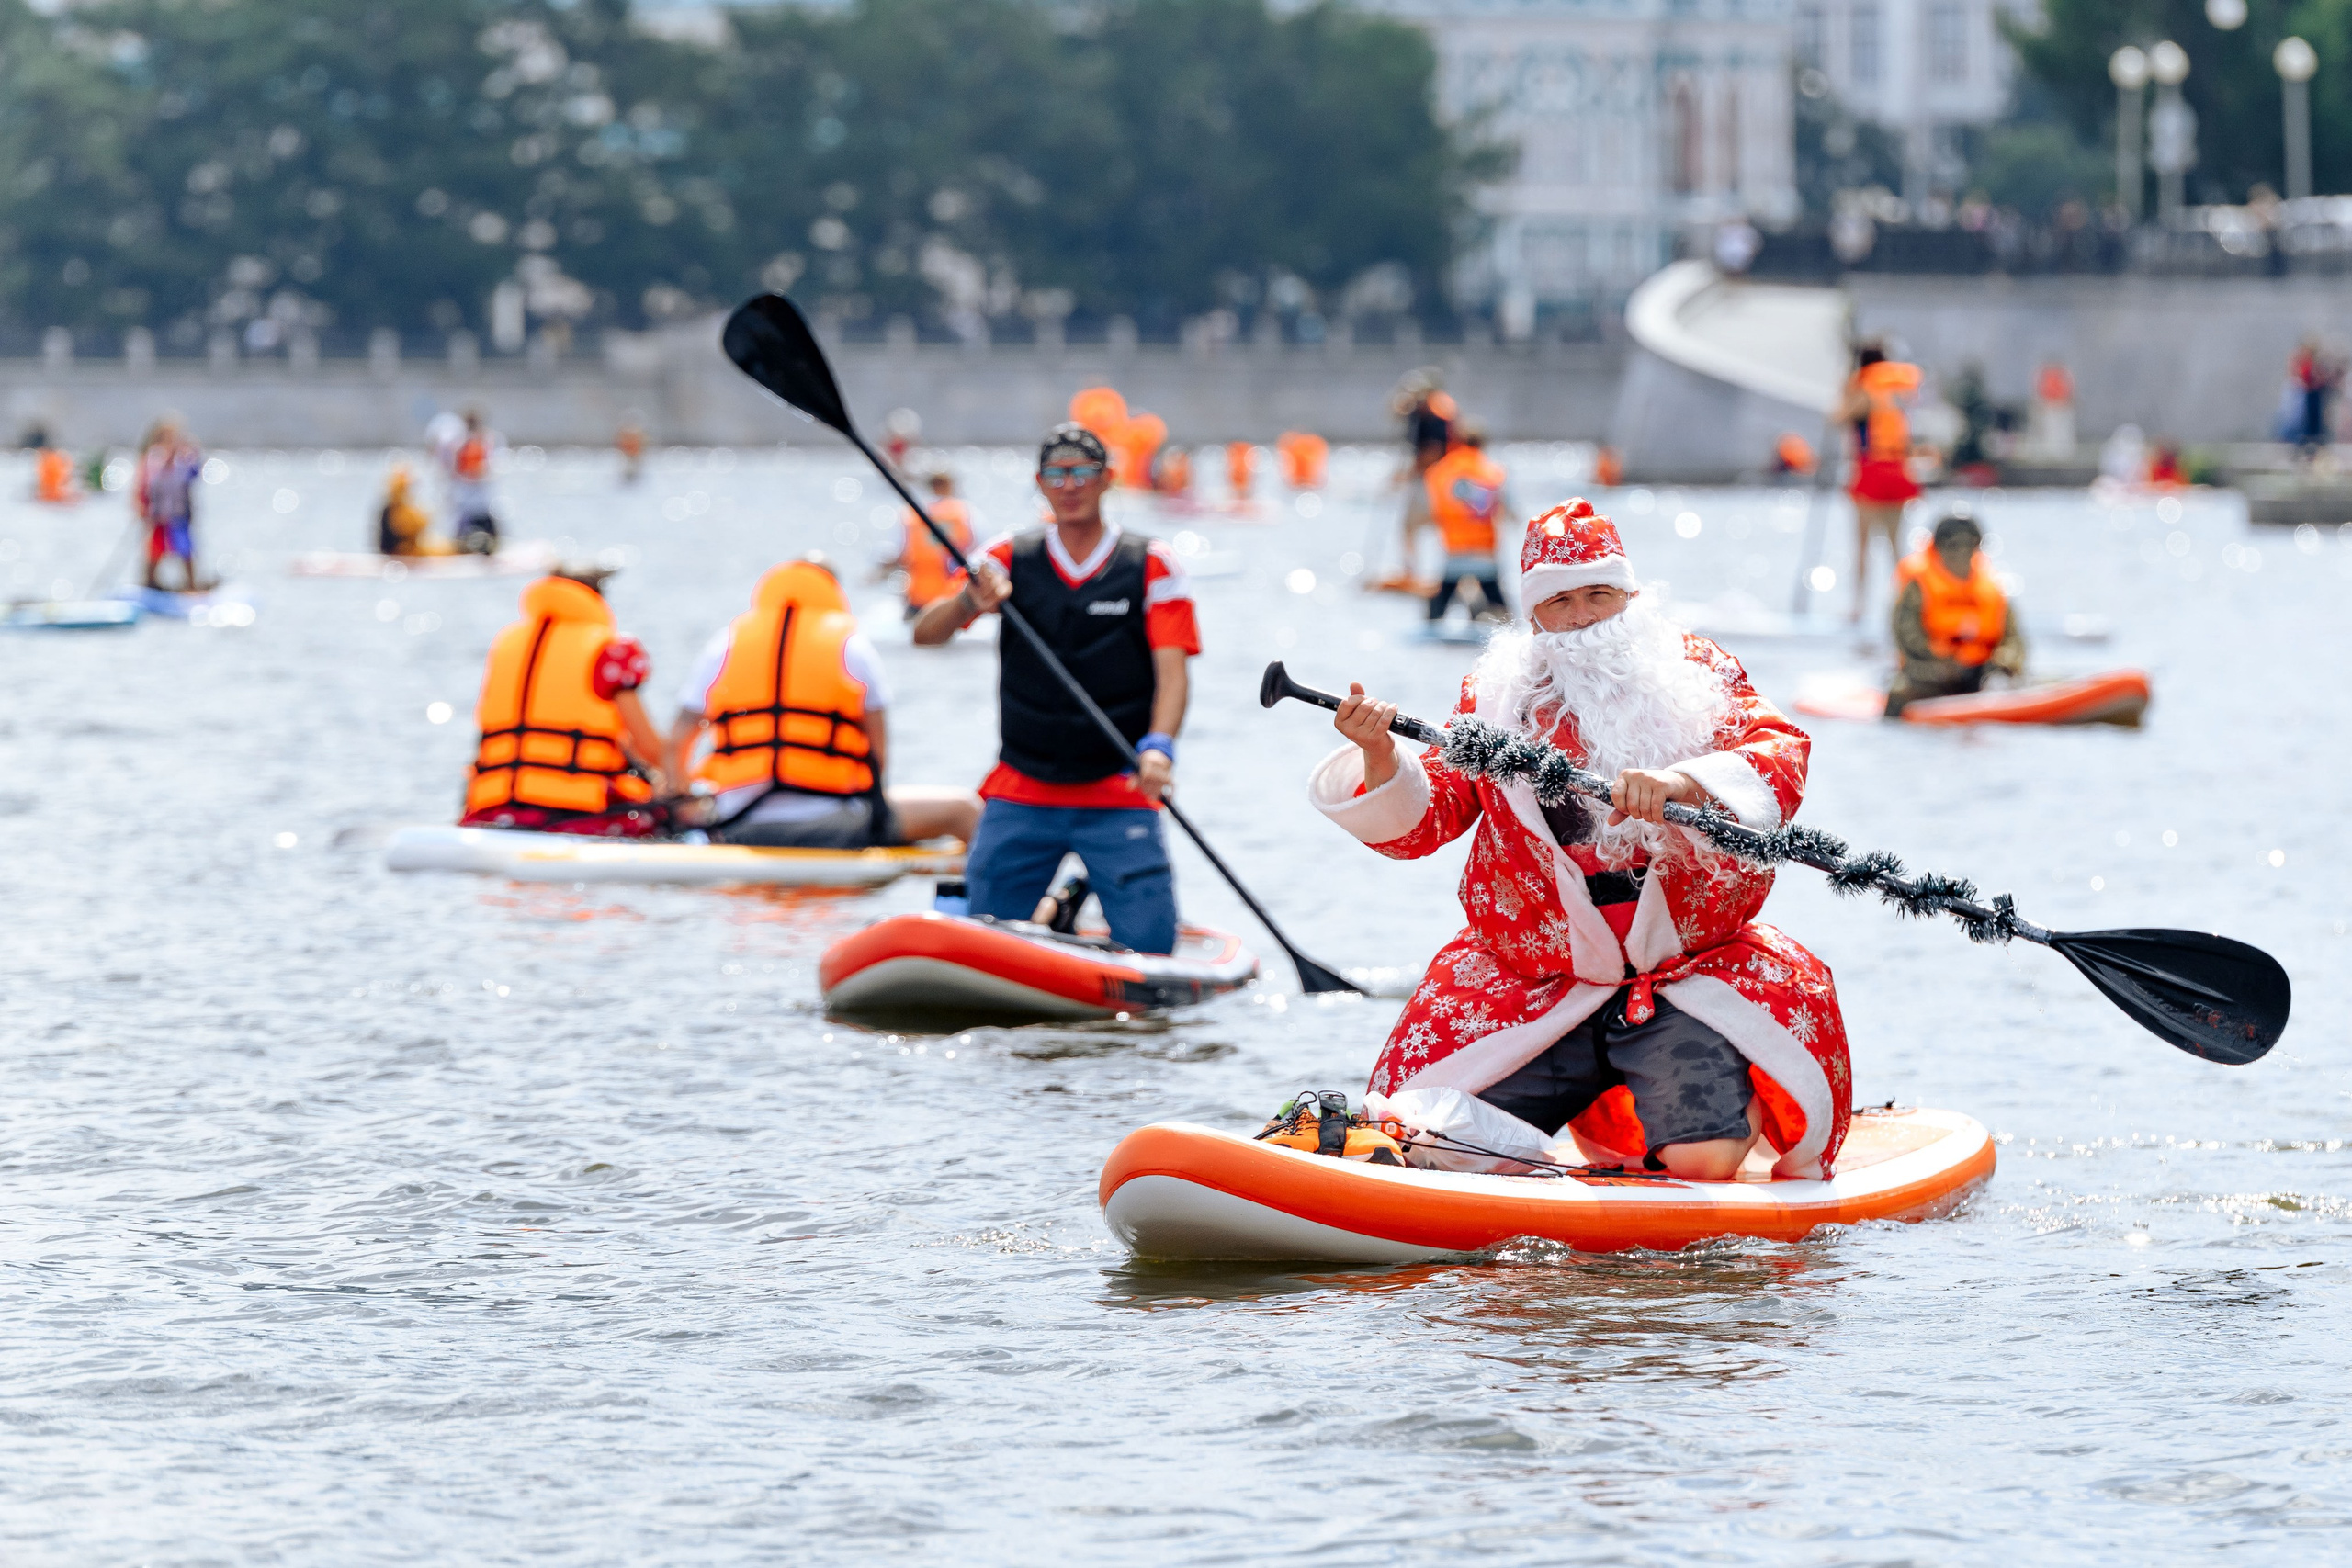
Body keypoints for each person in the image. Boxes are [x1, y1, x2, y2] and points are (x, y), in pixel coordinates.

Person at [1310, 499, 1853, 1181]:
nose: (1582, 618)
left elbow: (1779, 750)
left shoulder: (1695, 668)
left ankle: (1730, 1107)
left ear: (1629, 596)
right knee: (1421, 1140)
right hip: (1536, 979)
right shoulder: (1495, 695)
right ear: (1534, 615)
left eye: (1599, 595)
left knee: (1703, 1163)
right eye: (1560, 602)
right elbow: (1432, 818)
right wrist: (1381, 757)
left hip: (1684, 974)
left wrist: (1683, 783)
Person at [911, 423, 1200, 954]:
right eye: (1057, 474)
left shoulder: (1151, 563)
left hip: (1119, 788)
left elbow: (1173, 674)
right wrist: (970, 601)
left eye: (1083, 472)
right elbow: (925, 634)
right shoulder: (1005, 558)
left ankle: (1070, 907)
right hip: (1022, 790)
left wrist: (1160, 748)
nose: (1070, 486)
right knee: (980, 945)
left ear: (1107, 479)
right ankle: (1059, 908)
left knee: (1153, 950)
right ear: (1040, 483)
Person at [671, 558, 980, 849]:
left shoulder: (726, 643)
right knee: (964, 810)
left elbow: (675, 747)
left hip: (737, 823)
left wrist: (685, 809)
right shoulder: (851, 645)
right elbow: (878, 757)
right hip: (833, 823)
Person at [460, 565, 668, 837]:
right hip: (576, 815)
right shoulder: (609, 648)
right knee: (667, 815)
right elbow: (651, 750)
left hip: (492, 811)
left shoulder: (507, 642)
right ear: (597, 598)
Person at [1886, 513, 2025, 717]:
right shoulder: (1919, 587)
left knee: (2004, 683)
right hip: (1932, 676)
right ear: (1938, 549)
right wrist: (1942, 665)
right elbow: (1907, 638)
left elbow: (2013, 641)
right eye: (1952, 546)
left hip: (1983, 675)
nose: (1961, 552)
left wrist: (2002, 662)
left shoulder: (1992, 588)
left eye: (1968, 545)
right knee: (1899, 694)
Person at [1833, 343, 1922, 624]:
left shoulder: (1863, 392)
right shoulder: (1896, 393)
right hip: (1899, 472)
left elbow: (1838, 418)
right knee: (1896, 545)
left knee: (1863, 544)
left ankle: (1858, 606)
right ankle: (1905, 604)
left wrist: (1844, 387)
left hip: (1871, 473)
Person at [1421, 427, 1510, 622]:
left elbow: (1432, 511)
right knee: (1503, 613)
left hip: (1454, 549)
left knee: (1436, 613)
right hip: (1484, 551)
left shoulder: (1439, 472)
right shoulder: (1493, 471)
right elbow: (1505, 508)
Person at [888, 470, 973, 620]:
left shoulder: (911, 514)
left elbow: (898, 554)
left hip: (918, 599)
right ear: (949, 486)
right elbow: (981, 552)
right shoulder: (964, 512)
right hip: (953, 598)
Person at [138, 422, 206, 591]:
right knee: (155, 549)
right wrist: (143, 508)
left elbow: (193, 473)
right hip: (158, 515)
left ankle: (191, 585)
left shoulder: (184, 459)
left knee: (184, 548)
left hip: (178, 514)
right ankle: (150, 582)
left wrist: (192, 451)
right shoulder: (153, 458)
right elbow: (147, 484)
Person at [446, 408, 501, 554]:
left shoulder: (478, 441)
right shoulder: (464, 442)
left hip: (474, 494)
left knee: (478, 525)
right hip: (468, 493)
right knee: (467, 526)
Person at [378, 466, 454, 557]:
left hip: (409, 549)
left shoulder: (403, 506)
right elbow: (416, 526)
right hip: (403, 552)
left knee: (445, 546)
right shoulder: (395, 510)